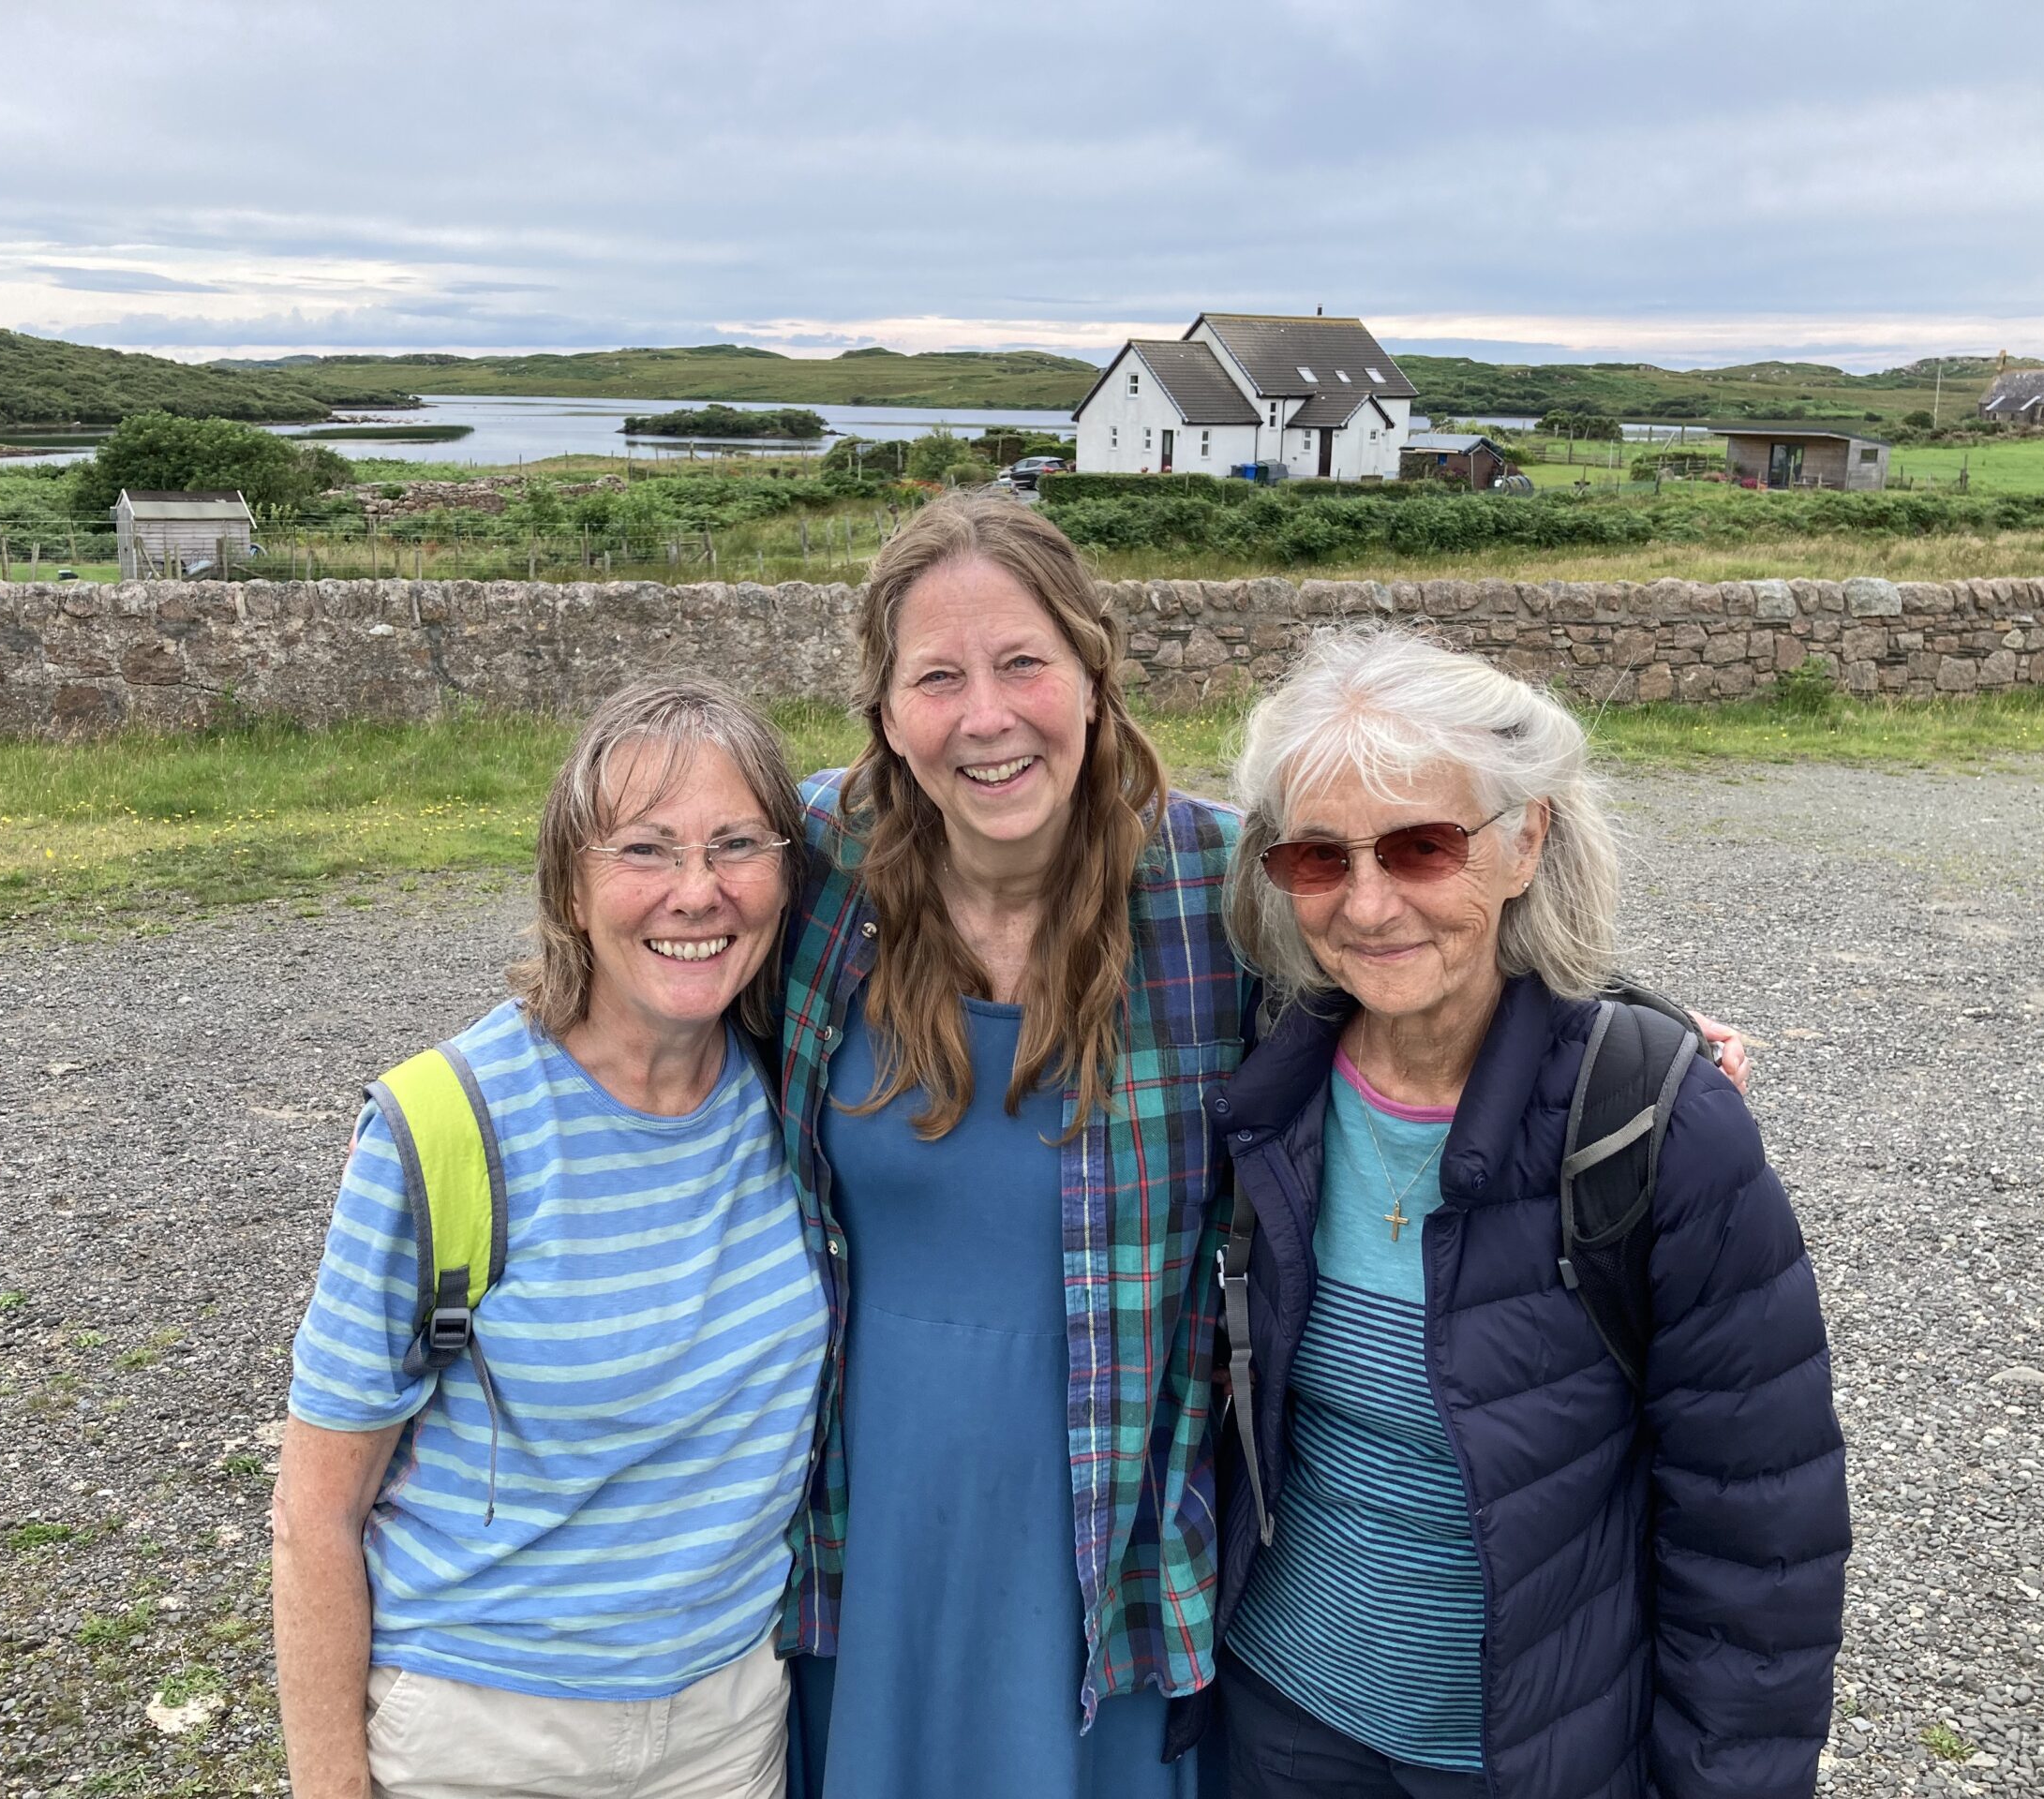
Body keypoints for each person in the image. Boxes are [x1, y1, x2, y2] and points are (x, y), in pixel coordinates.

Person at [1207, 624, 1848, 1799]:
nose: (1365, 903)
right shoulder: (1264, 1086)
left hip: (1524, 1756)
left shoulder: (1650, 1122)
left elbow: (1757, 1537)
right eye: (1316, 859)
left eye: (1420, 847)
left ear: (1524, 840)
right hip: (1277, 1718)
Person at [272, 676, 828, 1799]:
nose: (697, 892)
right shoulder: (444, 1126)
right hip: (485, 1735)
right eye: (643, 850)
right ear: (569, 887)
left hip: (729, 1723)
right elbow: (314, 1515)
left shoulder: (800, 1097)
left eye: (736, 844)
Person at [772, 494, 1242, 1798]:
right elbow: (628, 938)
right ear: (886, 713)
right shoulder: (814, 867)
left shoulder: (1221, 890)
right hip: (866, 1529)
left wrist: (1623, 1032)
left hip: (1105, 1533)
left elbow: (1423, 950)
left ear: (1093, 672)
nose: (987, 717)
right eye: (938, 677)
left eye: (1023, 663)